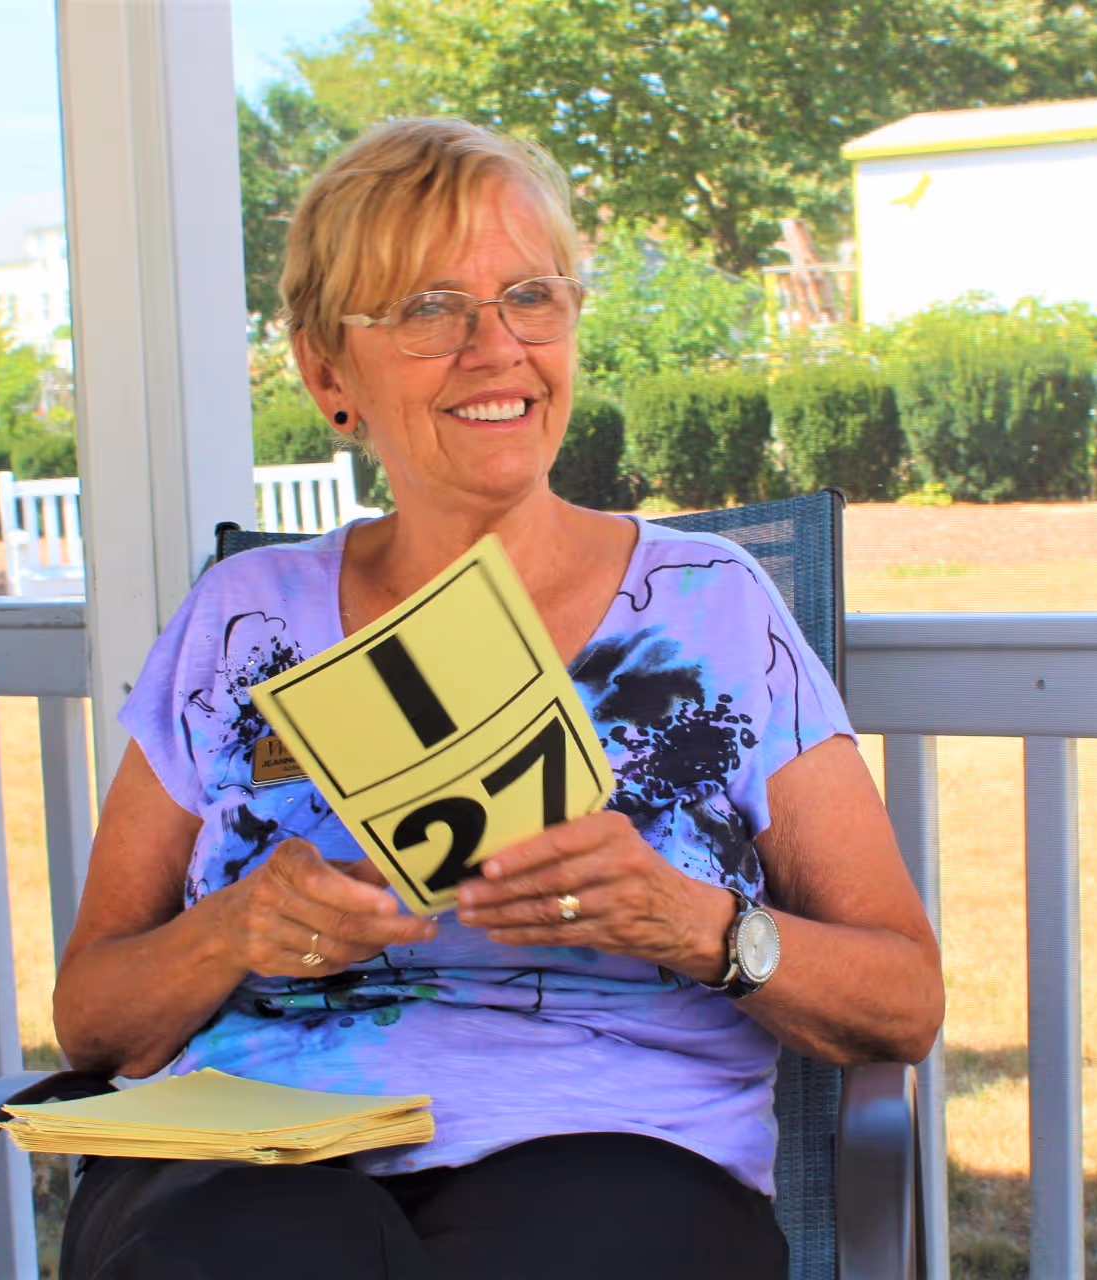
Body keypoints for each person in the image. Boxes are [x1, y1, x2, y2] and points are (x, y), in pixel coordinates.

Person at [51, 119, 943, 1280]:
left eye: (531, 294)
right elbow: (95, 1015)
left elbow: (903, 999)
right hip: (250, 1150)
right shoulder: (241, 617)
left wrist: (693, 922)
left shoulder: (711, 606)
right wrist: (232, 930)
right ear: (329, 370)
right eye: (428, 308)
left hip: (606, 1143)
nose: (496, 348)